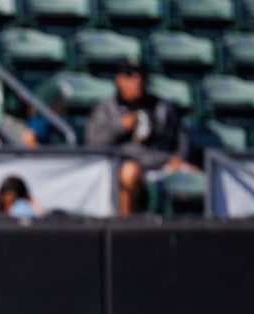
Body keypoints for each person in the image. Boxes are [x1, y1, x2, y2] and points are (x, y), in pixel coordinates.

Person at [85, 60, 199, 216]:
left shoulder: (162, 107)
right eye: (130, 75)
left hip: (162, 165)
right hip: (124, 166)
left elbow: (182, 138)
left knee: (200, 176)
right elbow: (92, 144)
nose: (137, 81)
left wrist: (179, 158)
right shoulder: (106, 109)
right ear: (119, 80)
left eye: (142, 75)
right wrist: (120, 126)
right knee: (130, 171)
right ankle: (126, 225)